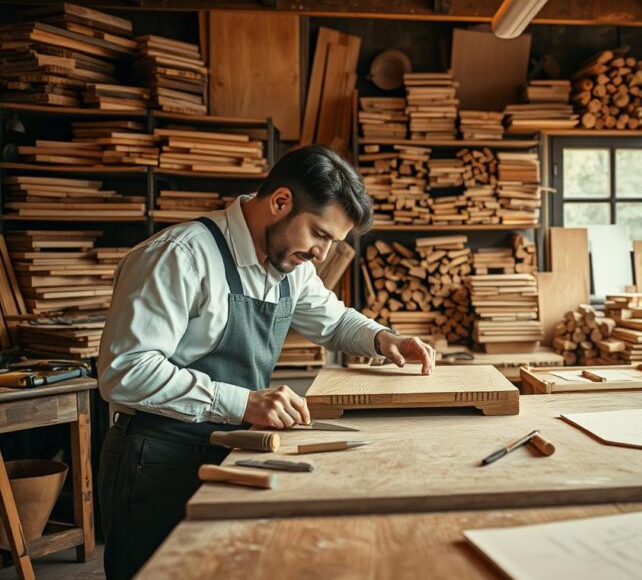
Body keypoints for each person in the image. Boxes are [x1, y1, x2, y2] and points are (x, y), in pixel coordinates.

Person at [96, 144, 435, 579]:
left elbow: (332, 321)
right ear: (280, 202)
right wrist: (244, 404)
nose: (322, 254)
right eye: (320, 235)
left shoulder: (289, 266)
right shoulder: (181, 255)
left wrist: (383, 337)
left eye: (333, 242)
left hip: (231, 455)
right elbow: (126, 371)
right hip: (155, 460)